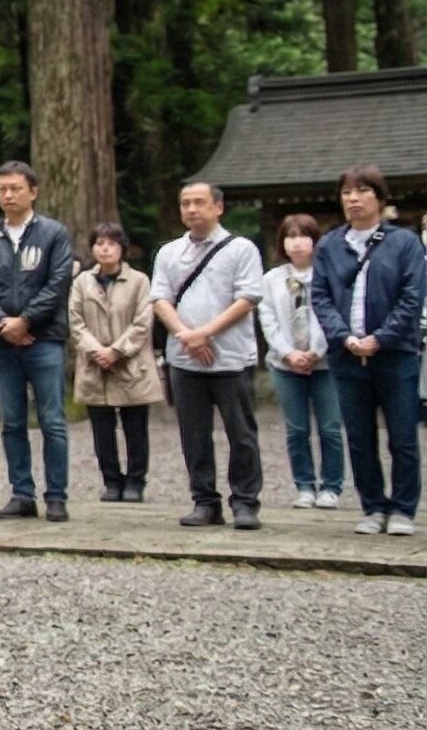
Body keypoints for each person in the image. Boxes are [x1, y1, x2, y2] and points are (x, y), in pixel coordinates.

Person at [312, 167, 424, 536]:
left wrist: (381, 337)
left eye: (362, 191)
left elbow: (412, 297)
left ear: (379, 197)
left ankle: (404, 508)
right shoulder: (330, 245)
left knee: (403, 434)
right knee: (359, 435)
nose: (353, 198)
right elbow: (322, 297)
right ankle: (373, 506)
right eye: (346, 192)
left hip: (395, 353)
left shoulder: (404, 243)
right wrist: (344, 336)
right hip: (347, 354)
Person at [151, 181, 269, 529]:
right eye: (185, 203)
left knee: (241, 433)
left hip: (230, 356)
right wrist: (185, 335)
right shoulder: (169, 252)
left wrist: (206, 333)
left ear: (218, 207)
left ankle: (246, 502)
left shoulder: (241, 249)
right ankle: (204, 501)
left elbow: (247, 298)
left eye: (199, 202)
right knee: (194, 434)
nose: (191, 209)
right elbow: (159, 298)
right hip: (184, 357)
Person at [0, 163, 76, 521]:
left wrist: (26, 320)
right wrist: (2, 323)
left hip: (45, 339)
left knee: (52, 421)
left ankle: (56, 495)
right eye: (1, 189)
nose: (8, 195)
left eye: (14, 188)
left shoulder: (53, 234)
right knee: (12, 421)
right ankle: (21, 492)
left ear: (33, 192)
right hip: (1, 342)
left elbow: (58, 283)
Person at [68, 223, 164, 502]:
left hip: (131, 364)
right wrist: (97, 350)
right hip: (94, 363)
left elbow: (143, 322)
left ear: (123, 248)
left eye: (111, 243)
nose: (105, 248)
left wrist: (117, 351)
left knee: (135, 428)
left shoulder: (139, 281)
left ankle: (136, 481)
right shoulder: (82, 282)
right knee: (101, 429)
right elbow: (76, 322)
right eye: (99, 243)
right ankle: (111, 481)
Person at [259, 212, 347, 509]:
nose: (296, 243)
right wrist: (288, 352)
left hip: (325, 362)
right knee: (296, 429)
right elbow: (268, 319)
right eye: (290, 236)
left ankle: (332, 486)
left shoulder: (329, 274)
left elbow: (333, 315)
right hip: (285, 363)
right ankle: (304, 485)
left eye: (303, 235)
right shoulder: (272, 279)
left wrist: (316, 351)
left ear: (315, 240)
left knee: (330, 427)